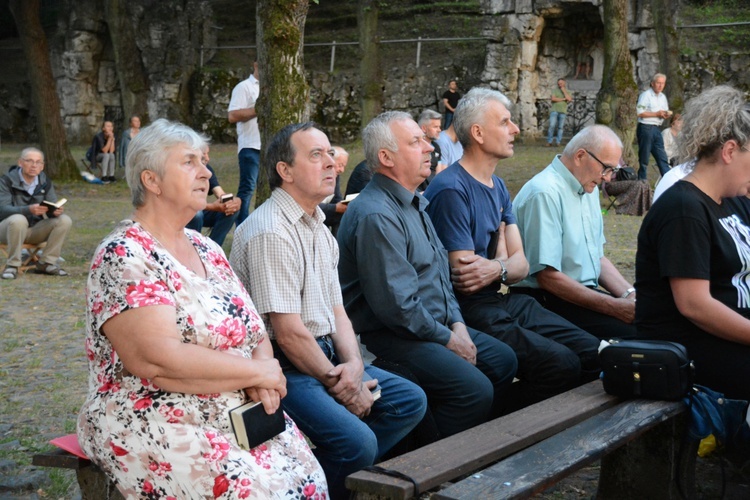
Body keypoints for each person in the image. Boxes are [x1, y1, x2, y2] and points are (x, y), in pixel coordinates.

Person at [76, 119, 327, 498]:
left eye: (204, 161)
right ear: (152, 180)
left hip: (236, 407)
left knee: (309, 481)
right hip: (152, 413)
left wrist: (260, 376)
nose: (206, 172)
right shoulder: (125, 253)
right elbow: (158, 361)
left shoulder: (206, 247)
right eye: (189, 162)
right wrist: (259, 372)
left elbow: (253, 329)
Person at [229, 122, 426, 499]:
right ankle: (309, 486)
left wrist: (353, 365)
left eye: (331, 153)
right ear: (285, 171)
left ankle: (323, 479)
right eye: (316, 155)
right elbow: (287, 333)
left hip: (327, 358)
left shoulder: (319, 225)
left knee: (408, 401)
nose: (332, 163)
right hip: (284, 366)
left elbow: (338, 311)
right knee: (358, 444)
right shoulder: (272, 230)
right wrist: (344, 386)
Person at [338, 111, 517, 437]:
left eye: (425, 140)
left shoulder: (416, 201)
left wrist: (458, 326)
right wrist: (449, 338)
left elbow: (441, 277)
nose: (429, 148)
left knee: (503, 361)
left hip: (432, 325)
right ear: (386, 157)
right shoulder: (376, 213)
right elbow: (398, 308)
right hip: (389, 337)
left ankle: (469, 444)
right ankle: (426, 464)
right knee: (474, 390)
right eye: (415, 142)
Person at [423, 88, 601, 410]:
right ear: (477, 133)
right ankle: (489, 429)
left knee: (594, 351)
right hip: (467, 311)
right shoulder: (451, 189)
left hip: (503, 298)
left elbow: (521, 266)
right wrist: (504, 263)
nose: (516, 130)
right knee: (561, 365)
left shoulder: (499, 185)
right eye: (505, 122)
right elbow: (466, 277)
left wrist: (498, 266)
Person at [635, 85, 750, 401]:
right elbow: (694, 305)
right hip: (689, 348)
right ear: (729, 151)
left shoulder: (734, 201)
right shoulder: (684, 209)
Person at [512, 125, 639, 340]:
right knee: (639, 337)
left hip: (578, 294)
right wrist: (615, 307)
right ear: (580, 156)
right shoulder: (545, 192)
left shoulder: (587, 187)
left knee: (653, 326)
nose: (608, 178)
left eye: (613, 171)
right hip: (545, 300)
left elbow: (597, 258)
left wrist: (631, 295)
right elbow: (548, 278)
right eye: (606, 168)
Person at [0, 148, 72, 279]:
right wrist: (28, 209)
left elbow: (52, 204)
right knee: (18, 219)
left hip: (34, 230)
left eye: (38, 162)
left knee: (64, 220)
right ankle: (12, 265)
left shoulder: (45, 182)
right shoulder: (6, 181)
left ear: (42, 166)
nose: (34, 165)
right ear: (20, 163)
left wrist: (55, 211)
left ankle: (47, 263)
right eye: (30, 161)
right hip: (7, 230)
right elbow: (2, 209)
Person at [185, 146, 240, 246]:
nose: (208, 158)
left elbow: (221, 194)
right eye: (204, 154)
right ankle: (193, 246)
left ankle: (212, 247)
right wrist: (212, 207)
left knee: (232, 211)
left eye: (208, 153)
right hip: (184, 210)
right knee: (197, 214)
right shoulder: (185, 171)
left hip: (201, 209)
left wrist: (235, 202)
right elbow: (183, 202)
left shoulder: (206, 169)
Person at [228, 61, 260, 225]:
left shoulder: (273, 88)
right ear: (255, 64)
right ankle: (242, 226)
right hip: (251, 146)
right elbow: (232, 116)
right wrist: (258, 109)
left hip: (269, 147)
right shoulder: (244, 87)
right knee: (247, 189)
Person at [636, 73, 672, 180]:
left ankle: (669, 181)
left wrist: (665, 115)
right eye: (658, 83)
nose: (660, 86)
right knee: (644, 158)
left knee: (662, 157)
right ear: (652, 84)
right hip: (646, 127)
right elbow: (639, 112)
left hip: (656, 128)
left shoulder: (663, 97)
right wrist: (656, 114)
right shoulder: (646, 95)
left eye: (662, 83)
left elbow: (663, 112)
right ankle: (642, 183)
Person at [319, 146, 349, 235]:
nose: (342, 170)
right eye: (340, 165)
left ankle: (339, 244)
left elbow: (337, 197)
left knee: (344, 215)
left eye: (344, 166)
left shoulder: (335, 175)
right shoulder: (315, 178)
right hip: (313, 215)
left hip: (326, 212)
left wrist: (344, 205)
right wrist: (335, 208)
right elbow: (309, 206)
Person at [417, 109, 447, 191]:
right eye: (435, 127)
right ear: (424, 128)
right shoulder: (415, 148)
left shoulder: (436, 147)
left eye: (439, 126)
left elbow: (439, 174)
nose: (439, 130)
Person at [547, 78, 573, 147]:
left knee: (560, 127)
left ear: (564, 83)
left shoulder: (568, 92)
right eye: (558, 83)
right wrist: (563, 99)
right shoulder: (555, 91)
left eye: (561, 83)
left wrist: (564, 91)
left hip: (562, 111)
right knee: (552, 126)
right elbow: (553, 99)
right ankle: (549, 141)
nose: (559, 85)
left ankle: (558, 142)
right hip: (554, 111)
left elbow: (569, 99)